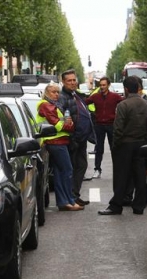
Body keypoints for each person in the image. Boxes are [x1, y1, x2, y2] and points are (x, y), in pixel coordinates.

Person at [98, 76, 147, 215]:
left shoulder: (123, 105)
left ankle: (116, 205)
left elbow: (118, 128)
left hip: (125, 144)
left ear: (126, 89)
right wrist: (146, 141)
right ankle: (139, 206)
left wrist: (116, 145)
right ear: (138, 88)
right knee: (140, 175)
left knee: (121, 176)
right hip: (141, 144)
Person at [35, 82, 84, 211]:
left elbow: (62, 122)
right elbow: (59, 124)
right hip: (56, 142)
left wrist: (67, 123)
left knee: (59, 173)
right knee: (67, 171)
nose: (56, 94)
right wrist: (69, 125)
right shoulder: (47, 106)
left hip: (57, 142)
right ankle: (69, 201)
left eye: (57, 92)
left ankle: (63, 202)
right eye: (53, 92)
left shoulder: (50, 105)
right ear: (46, 93)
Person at [58, 69, 96, 206]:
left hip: (81, 139)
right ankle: (70, 197)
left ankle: (74, 194)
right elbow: (63, 116)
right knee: (73, 168)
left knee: (81, 166)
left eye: (74, 80)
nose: (73, 83)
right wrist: (72, 136)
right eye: (69, 80)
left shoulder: (75, 95)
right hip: (72, 140)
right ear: (63, 82)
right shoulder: (62, 97)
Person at [123, 76, 147, 206]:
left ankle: (132, 198)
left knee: (136, 172)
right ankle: (134, 200)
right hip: (143, 142)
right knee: (137, 172)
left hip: (135, 143)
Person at [85, 76, 123, 179]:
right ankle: (97, 170)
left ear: (108, 85)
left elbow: (124, 104)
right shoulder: (95, 96)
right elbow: (84, 102)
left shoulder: (115, 96)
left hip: (111, 125)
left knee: (114, 148)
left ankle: (117, 170)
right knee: (99, 148)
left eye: (104, 85)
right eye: (100, 85)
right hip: (99, 125)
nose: (102, 87)